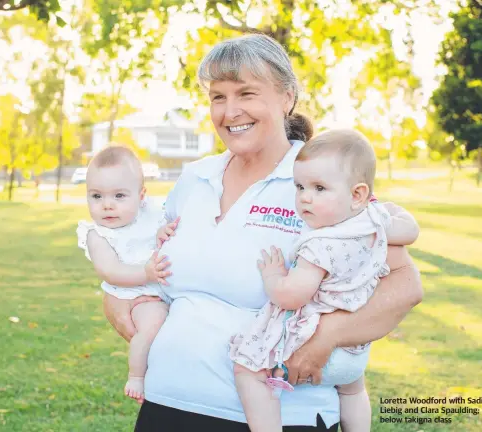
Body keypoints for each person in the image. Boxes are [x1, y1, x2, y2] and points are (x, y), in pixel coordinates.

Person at [103, 34, 423, 432]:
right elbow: (146, 266)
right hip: (166, 406)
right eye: (218, 97)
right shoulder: (194, 178)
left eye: (246, 93)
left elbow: (405, 285)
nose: (230, 111)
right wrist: (118, 300)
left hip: (282, 416)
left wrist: (328, 338)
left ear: (287, 97)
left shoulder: (319, 183)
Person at [228, 129, 420, 432]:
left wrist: (273, 276)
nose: (305, 197)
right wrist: (387, 214)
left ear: (357, 194)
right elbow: (409, 230)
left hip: (314, 346)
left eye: (319, 188)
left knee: (247, 371)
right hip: (354, 351)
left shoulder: (320, 244)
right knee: (353, 390)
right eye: (300, 186)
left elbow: (292, 296)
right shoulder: (373, 224)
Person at [76, 146, 177, 403]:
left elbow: (161, 234)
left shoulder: (151, 215)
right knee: (153, 324)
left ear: (141, 196)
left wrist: (162, 234)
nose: (107, 205)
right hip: (134, 295)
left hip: (158, 287)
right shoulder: (98, 234)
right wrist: (146, 273)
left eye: (119, 196)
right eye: (96, 196)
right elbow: (111, 271)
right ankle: (137, 376)